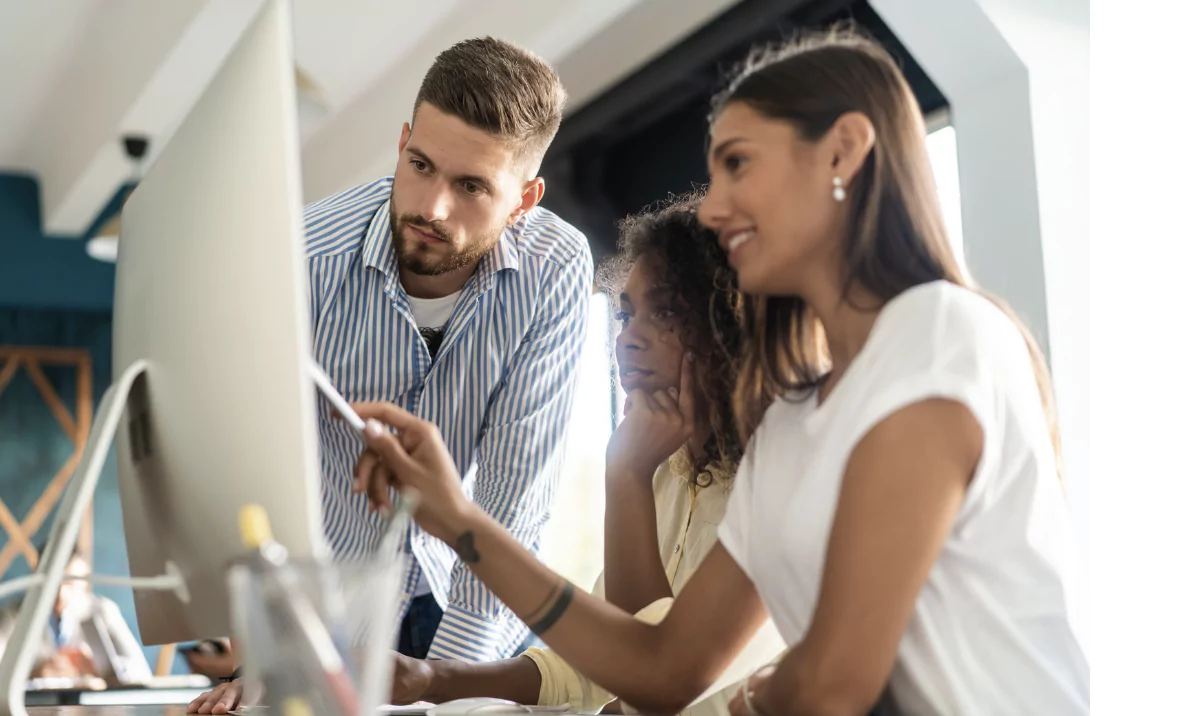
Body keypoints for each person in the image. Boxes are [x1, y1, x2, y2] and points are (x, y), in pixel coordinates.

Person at [349, 26, 1089, 716]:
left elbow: (836, 681)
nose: (715, 207)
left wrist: (765, 697)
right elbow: (665, 668)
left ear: (843, 152)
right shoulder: (794, 430)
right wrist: (456, 519)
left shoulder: (940, 332)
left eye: (737, 164)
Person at [189, 35, 591, 715]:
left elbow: (514, 502)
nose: (432, 207)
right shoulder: (302, 264)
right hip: (323, 614)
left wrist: (450, 694)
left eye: (470, 187)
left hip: (464, 601)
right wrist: (268, 659)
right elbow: (250, 483)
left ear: (524, 198)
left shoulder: (556, 271)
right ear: (403, 141)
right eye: (421, 165)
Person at [383, 195, 785, 714]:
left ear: (732, 320)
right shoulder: (669, 469)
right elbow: (598, 665)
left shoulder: (775, 479)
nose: (627, 341)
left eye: (664, 311)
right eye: (625, 314)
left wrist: (626, 475)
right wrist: (431, 679)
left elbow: (647, 676)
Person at [0, 546, 153, 689]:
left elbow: (142, 674)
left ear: (83, 580)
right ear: (37, 575)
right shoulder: (13, 615)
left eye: (70, 583)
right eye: (53, 583)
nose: (61, 593)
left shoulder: (101, 611)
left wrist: (101, 669)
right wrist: (31, 674)